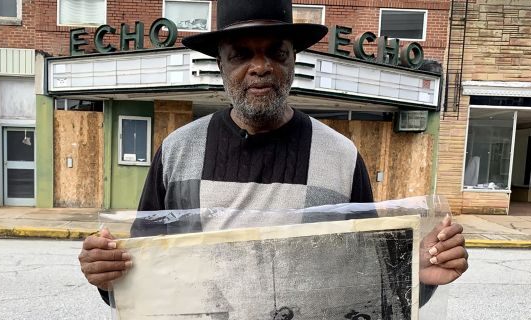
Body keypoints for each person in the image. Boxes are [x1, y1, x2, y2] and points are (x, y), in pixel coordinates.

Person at [78, 0, 468, 313]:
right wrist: (109, 274)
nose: (260, 67)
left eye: (276, 53)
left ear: (293, 61)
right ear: (220, 64)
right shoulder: (179, 152)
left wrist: (416, 274)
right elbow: (146, 273)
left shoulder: (340, 156)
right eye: (241, 54)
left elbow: (364, 279)